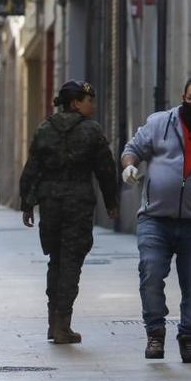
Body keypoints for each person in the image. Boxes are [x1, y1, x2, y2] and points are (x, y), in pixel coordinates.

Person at [121, 74, 191, 363]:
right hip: (155, 219)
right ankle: (155, 333)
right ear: (183, 98)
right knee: (151, 273)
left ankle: (189, 338)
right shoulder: (160, 123)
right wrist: (130, 167)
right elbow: (132, 150)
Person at [19, 81, 119, 344]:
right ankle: (63, 323)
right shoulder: (91, 131)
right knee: (71, 262)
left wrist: (27, 203)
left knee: (56, 260)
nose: (93, 105)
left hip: (50, 203)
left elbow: (32, 168)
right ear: (75, 103)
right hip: (78, 202)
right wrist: (112, 201)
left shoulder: (44, 128)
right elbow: (106, 170)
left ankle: (53, 322)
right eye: (89, 100)